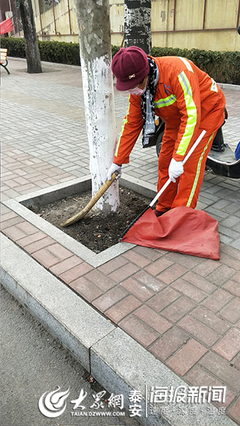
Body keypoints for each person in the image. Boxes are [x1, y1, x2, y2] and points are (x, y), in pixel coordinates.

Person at [107, 46, 226, 216]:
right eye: (128, 87)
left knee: (189, 164)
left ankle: (179, 216)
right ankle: (163, 208)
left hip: (206, 112)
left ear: (144, 74)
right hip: (175, 118)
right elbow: (132, 123)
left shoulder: (178, 72)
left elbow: (192, 116)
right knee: (165, 161)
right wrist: (117, 162)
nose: (132, 91)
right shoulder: (140, 89)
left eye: (133, 85)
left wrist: (178, 158)